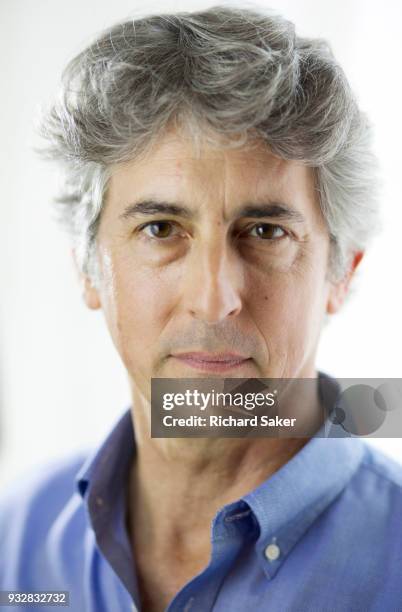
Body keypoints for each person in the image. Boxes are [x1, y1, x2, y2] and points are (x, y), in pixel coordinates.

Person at [1, 6, 401, 612]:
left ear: (340, 273)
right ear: (88, 268)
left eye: (266, 232)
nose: (214, 298)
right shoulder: (16, 543)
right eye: (161, 228)